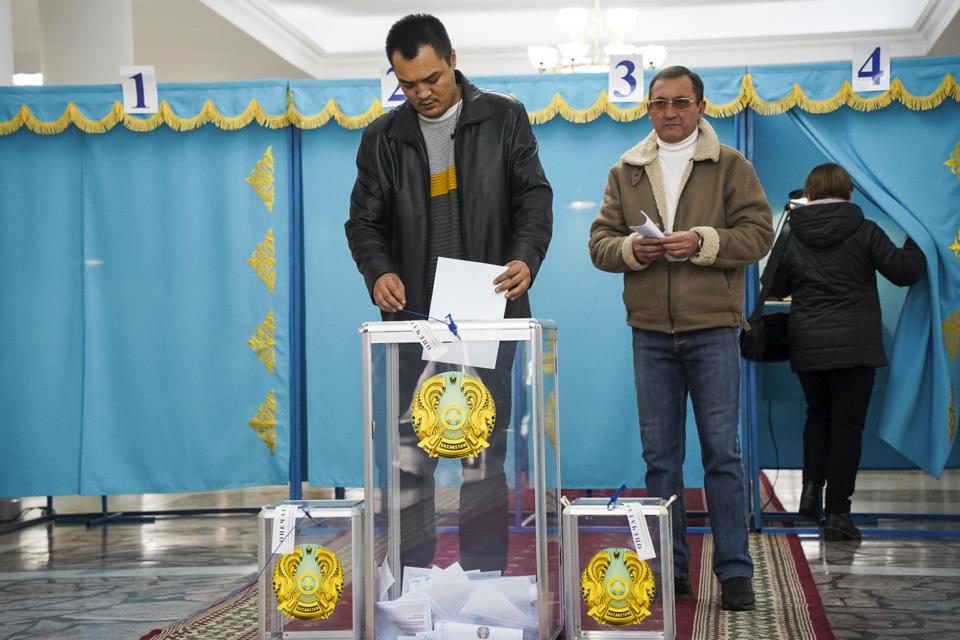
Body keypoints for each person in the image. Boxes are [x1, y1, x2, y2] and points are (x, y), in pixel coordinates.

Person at [344, 14, 552, 573]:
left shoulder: (503, 117)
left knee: (484, 453)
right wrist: (378, 271)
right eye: (407, 83)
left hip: (487, 311)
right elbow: (362, 223)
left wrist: (524, 258)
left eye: (431, 78)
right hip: (412, 317)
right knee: (410, 459)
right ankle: (411, 582)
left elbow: (533, 198)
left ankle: (484, 579)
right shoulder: (382, 139)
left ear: (453, 59)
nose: (422, 94)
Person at [588, 65, 773, 611]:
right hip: (649, 333)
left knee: (722, 455)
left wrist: (703, 240)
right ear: (647, 108)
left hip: (714, 329)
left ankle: (735, 571)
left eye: (681, 102)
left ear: (700, 107)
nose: (669, 112)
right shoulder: (626, 170)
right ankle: (669, 569)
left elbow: (759, 234)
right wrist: (629, 250)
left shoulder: (731, 165)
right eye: (660, 102)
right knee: (660, 462)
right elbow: (599, 241)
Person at [767, 163, 925, 541]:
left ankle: (809, 493)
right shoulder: (865, 229)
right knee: (847, 428)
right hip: (855, 345)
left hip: (807, 341)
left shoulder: (792, 233)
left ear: (809, 192)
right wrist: (918, 239)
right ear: (848, 191)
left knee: (817, 414)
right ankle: (838, 513)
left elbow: (774, 285)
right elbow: (905, 272)